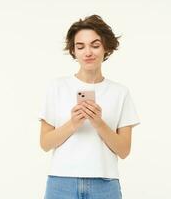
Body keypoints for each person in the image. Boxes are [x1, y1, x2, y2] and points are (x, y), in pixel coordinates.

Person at [38, 14, 140, 199]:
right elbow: (45, 144)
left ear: (106, 48)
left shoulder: (120, 92)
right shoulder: (56, 87)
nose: (88, 52)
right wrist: (73, 124)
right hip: (61, 183)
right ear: (73, 51)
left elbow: (124, 150)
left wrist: (98, 123)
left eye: (95, 45)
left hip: (105, 185)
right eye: (80, 46)